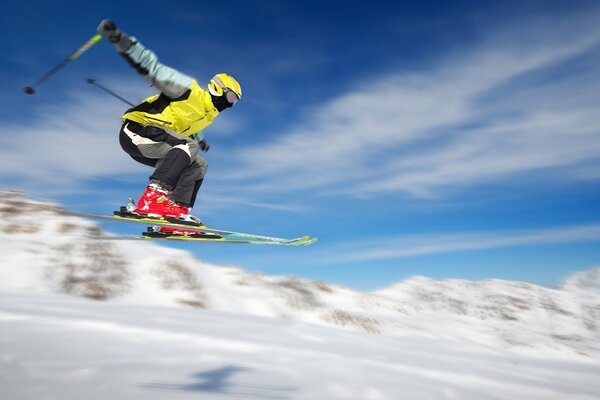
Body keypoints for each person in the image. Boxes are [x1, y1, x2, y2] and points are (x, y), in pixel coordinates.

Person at [97, 19, 241, 225]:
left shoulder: (208, 115)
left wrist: (200, 139)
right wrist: (119, 39)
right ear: (218, 89)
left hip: (157, 144)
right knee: (186, 145)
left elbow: (187, 126)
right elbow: (151, 67)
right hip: (136, 131)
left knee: (199, 163)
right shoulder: (188, 90)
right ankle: (152, 199)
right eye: (231, 98)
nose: (231, 104)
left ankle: (177, 210)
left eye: (234, 102)